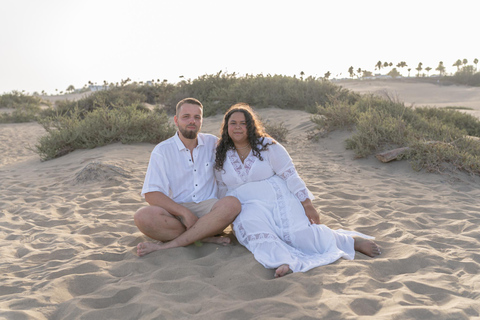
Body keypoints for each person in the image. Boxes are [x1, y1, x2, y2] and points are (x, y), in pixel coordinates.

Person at [214, 103, 381, 278]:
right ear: (226, 127)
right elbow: (221, 186)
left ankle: (350, 242)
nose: (238, 127)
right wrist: (222, 217)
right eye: (233, 123)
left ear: (251, 126)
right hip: (245, 206)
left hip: (277, 199)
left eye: (243, 123)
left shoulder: (268, 146)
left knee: (299, 235)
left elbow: (291, 175)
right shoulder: (221, 152)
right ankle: (283, 261)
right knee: (255, 233)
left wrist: (307, 204)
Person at [135, 98, 241, 256]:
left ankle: (184, 239)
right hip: (177, 212)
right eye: (186, 117)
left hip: (210, 211)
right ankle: (204, 237)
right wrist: (184, 213)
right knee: (142, 217)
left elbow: (241, 151)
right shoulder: (162, 151)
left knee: (232, 204)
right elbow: (152, 194)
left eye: (197, 117)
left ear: (201, 121)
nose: (192, 121)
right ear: (176, 120)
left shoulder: (213, 143)